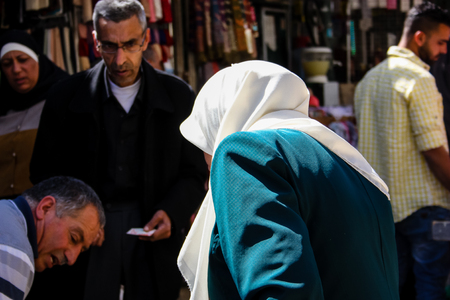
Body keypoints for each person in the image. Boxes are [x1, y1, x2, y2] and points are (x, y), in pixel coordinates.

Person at [27, 0, 207, 299]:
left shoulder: (177, 96)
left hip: (152, 231)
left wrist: (172, 212)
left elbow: (194, 173)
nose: (120, 58)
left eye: (130, 44)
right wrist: (77, 218)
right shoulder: (65, 96)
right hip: (82, 235)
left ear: (146, 39)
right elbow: (43, 173)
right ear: (95, 41)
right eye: (110, 46)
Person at [177, 60, 399, 299]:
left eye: (202, 139)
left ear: (218, 121)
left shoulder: (244, 152)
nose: (204, 154)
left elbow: (280, 288)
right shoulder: (352, 166)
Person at [354, 2, 450, 299]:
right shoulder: (419, 80)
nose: (444, 51)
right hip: (427, 210)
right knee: (431, 289)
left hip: (385, 208)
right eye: (441, 42)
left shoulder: (368, 80)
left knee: (394, 289)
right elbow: (433, 150)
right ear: (420, 37)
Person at [0, 176, 105, 300]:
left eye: (81, 250)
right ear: (46, 208)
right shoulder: (15, 252)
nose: (71, 259)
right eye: (73, 238)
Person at [0, 30, 68, 199]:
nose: (16, 69)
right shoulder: (2, 108)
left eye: (23, 60)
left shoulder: (61, 100)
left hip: (44, 210)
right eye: (7, 63)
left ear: (37, 59)